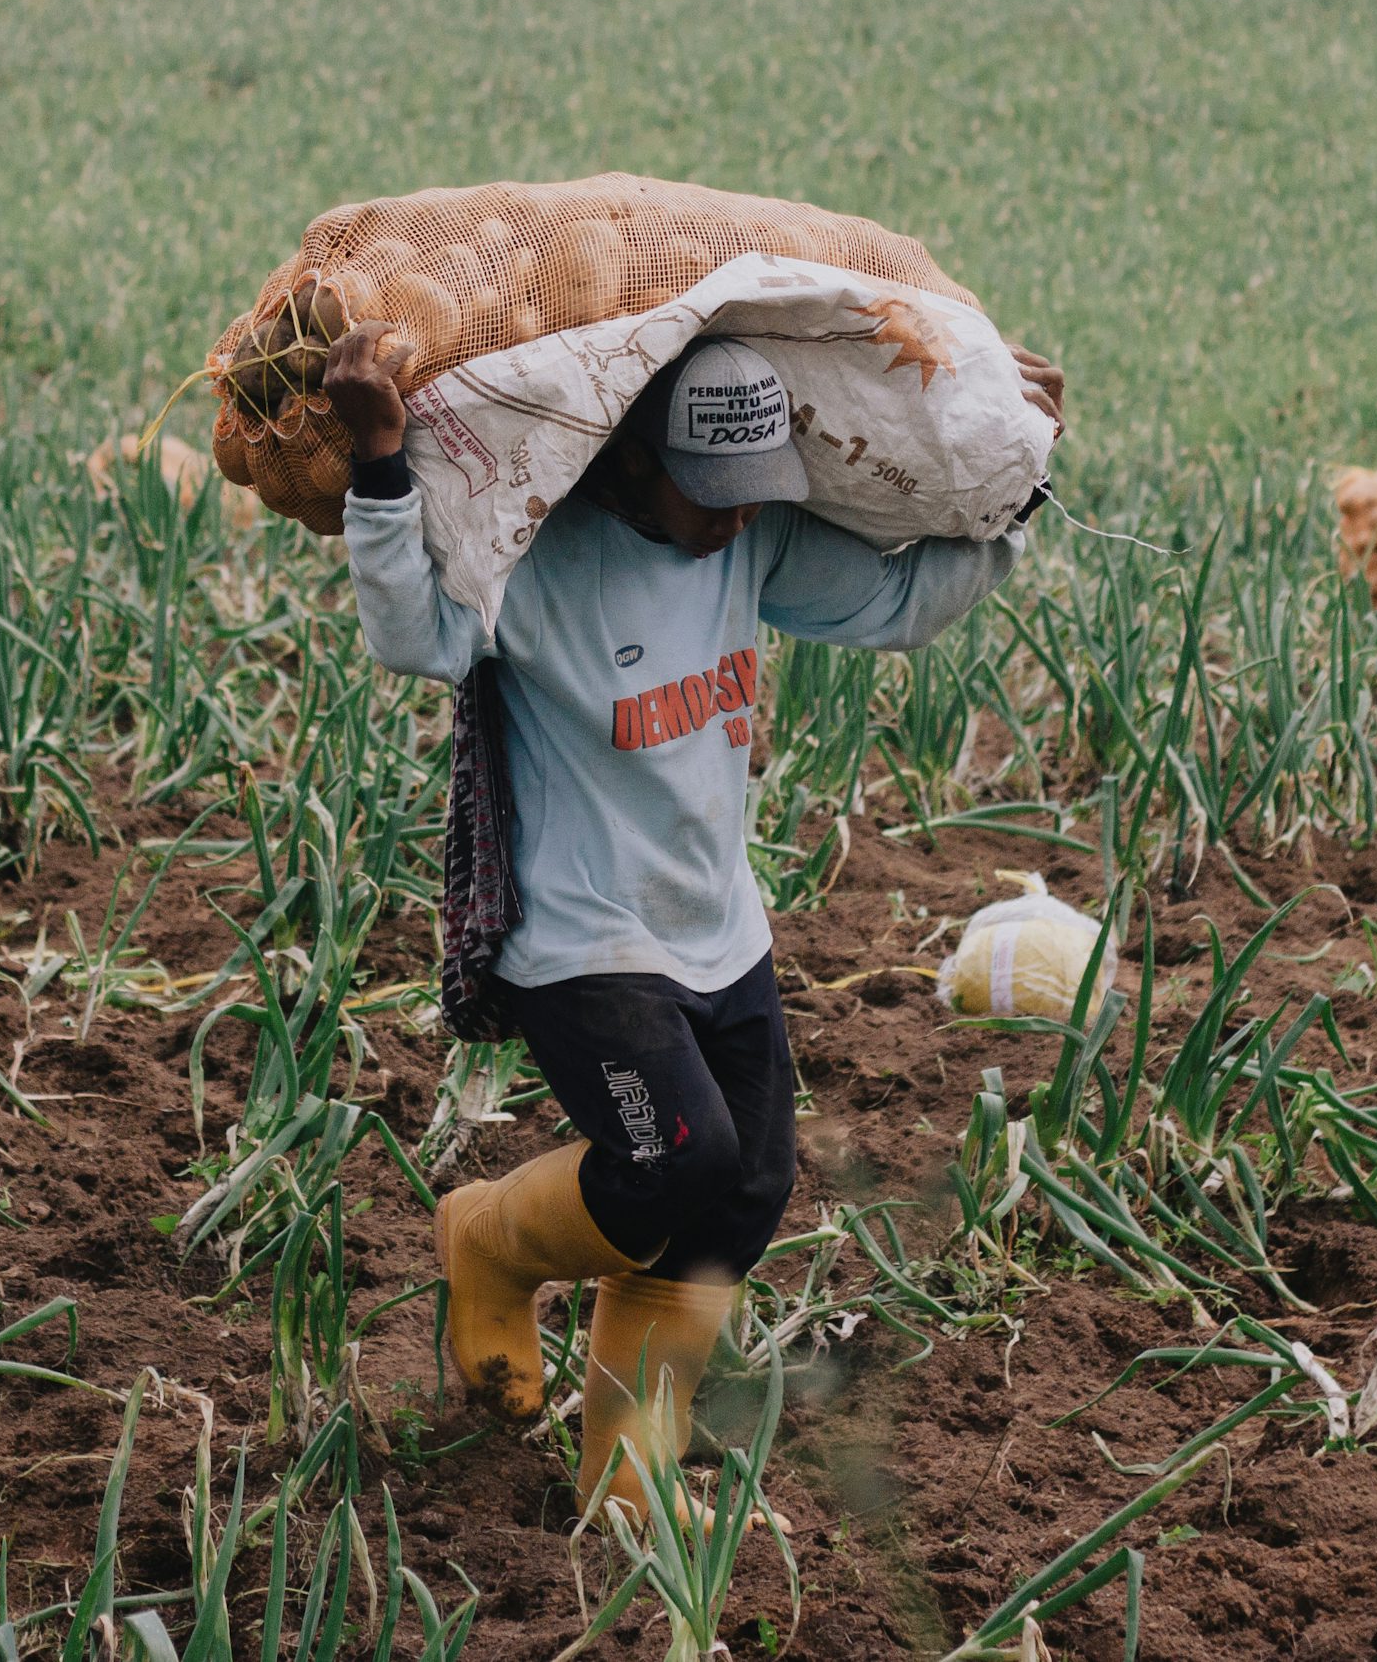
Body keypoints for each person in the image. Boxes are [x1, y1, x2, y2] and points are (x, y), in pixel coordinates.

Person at [324, 320, 1064, 1527]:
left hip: (717, 928)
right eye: (709, 491)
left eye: (753, 491)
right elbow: (416, 637)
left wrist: (1020, 480)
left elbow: (896, 601)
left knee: (745, 1192)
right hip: (583, 940)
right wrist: (378, 466)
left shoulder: (749, 538)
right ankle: (491, 1245)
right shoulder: (542, 556)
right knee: (676, 1160)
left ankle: (627, 1484)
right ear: (632, 456)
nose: (733, 517)